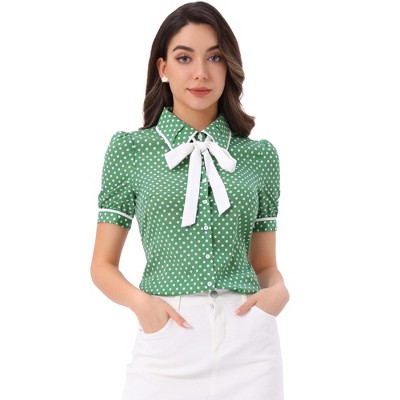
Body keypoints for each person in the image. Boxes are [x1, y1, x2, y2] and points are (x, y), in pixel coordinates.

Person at [90, 2, 289, 399]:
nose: (200, 72)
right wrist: (144, 307)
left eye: (214, 57)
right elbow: (102, 265)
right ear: (163, 68)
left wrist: (278, 291)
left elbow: (264, 265)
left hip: (250, 344)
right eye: (185, 58)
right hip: (167, 339)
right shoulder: (130, 151)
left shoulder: (259, 156)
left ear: (228, 66)